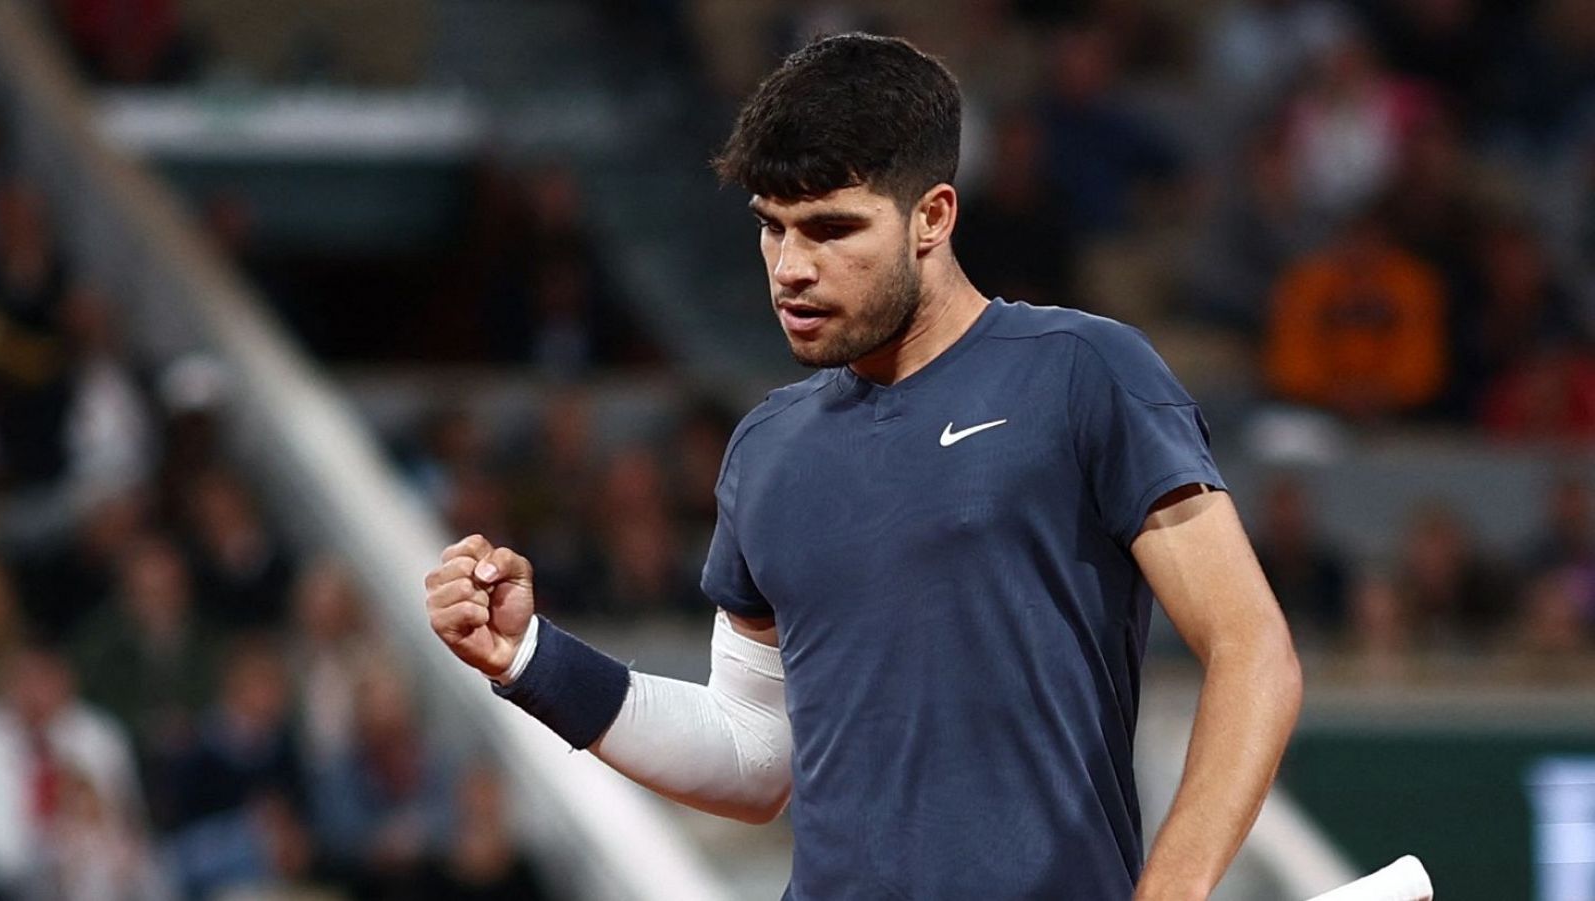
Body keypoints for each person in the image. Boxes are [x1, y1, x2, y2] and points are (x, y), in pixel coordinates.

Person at [426, 33, 1301, 900]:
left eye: (831, 228)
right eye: (772, 227)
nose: (791, 269)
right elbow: (753, 755)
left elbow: (1252, 649)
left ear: (934, 216)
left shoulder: (1084, 372)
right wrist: (530, 659)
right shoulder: (766, 449)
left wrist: (1172, 893)